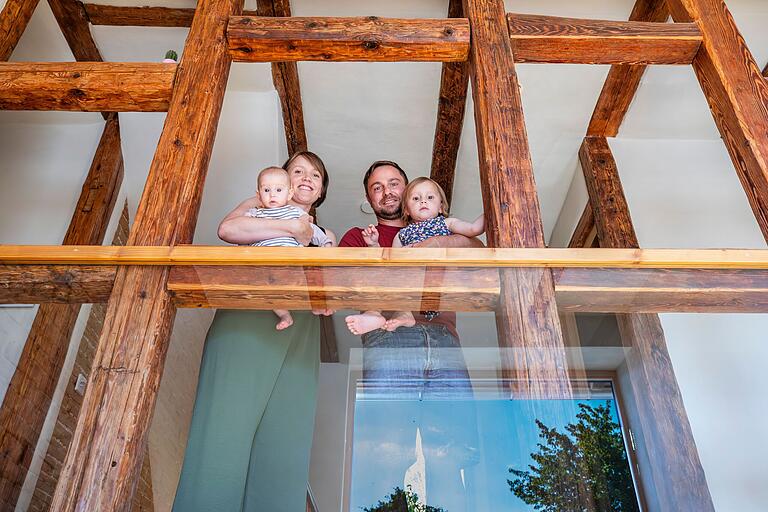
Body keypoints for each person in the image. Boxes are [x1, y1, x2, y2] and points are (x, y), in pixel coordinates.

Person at [173, 151, 334, 512]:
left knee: (286, 439)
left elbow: (330, 281)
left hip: (303, 326)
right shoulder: (259, 205)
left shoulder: (324, 233)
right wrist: (291, 228)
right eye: (299, 171)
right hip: (250, 310)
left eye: (316, 175)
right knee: (225, 427)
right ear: (281, 182)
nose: (307, 178)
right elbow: (228, 230)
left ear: (321, 191)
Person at [339, 160, 481, 510]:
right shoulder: (359, 238)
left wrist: (436, 242)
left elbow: (478, 253)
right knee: (388, 454)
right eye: (376, 187)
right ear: (369, 198)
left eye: (394, 183)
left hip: (444, 339)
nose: (386, 191)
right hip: (390, 340)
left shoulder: (436, 226)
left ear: (408, 190)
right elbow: (348, 285)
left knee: (451, 454)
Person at [345, 176, 484, 335]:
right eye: (416, 199)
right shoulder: (403, 235)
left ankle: (395, 313)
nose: (423, 202)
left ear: (440, 206)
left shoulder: (447, 224)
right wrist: (374, 244)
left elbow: (474, 229)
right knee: (389, 278)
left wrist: (492, 209)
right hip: (412, 280)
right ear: (406, 210)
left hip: (440, 282)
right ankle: (380, 314)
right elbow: (390, 264)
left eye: (430, 197)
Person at [246, 166, 332, 329]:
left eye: (278, 189)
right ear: (258, 195)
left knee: (308, 277)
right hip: (265, 265)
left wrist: (325, 242)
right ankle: (285, 315)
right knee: (269, 292)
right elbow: (241, 233)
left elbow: (311, 230)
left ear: (289, 193)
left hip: (293, 262)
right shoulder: (254, 213)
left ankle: (317, 303)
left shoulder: (295, 213)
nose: (272, 194)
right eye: (266, 190)